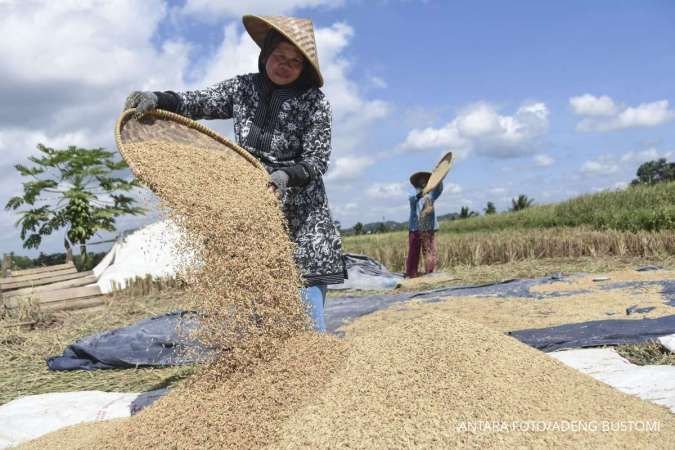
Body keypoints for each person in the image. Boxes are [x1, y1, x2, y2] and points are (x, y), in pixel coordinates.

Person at [124, 15, 345, 332]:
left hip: (301, 210)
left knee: (304, 284)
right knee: (259, 282)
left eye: (295, 62)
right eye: (279, 56)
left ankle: (314, 356)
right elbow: (199, 101)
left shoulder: (314, 103)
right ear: (266, 54)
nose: (285, 65)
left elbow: (317, 160)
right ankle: (268, 358)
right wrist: (160, 99)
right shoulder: (243, 88)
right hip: (251, 199)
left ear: (304, 69)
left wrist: (285, 176)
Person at [405, 171, 443, 278]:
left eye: (425, 181)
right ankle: (411, 274)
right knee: (413, 252)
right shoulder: (414, 195)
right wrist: (423, 193)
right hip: (415, 228)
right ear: (417, 183)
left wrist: (438, 179)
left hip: (428, 228)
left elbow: (439, 189)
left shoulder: (431, 196)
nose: (423, 183)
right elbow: (413, 198)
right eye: (420, 181)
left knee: (430, 251)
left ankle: (430, 273)